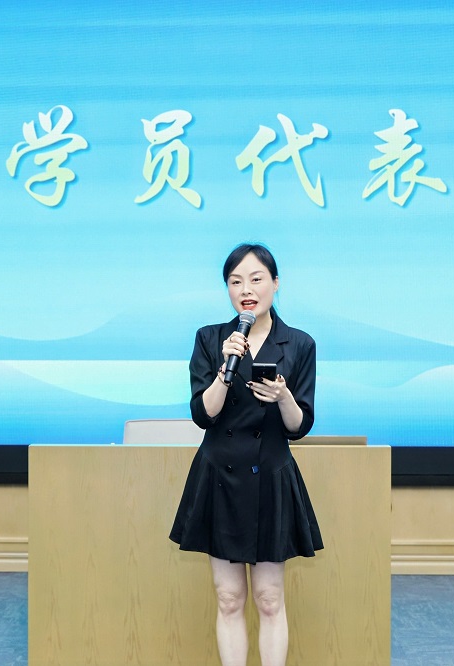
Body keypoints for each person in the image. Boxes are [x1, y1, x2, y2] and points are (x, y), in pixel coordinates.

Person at [169, 243, 323, 666]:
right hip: (220, 475)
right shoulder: (211, 339)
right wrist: (225, 369)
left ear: (276, 283)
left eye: (256, 279)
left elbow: (299, 426)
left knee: (269, 598)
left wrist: (284, 397)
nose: (246, 290)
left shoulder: (299, 343)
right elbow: (203, 414)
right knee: (229, 596)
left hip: (270, 475)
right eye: (235, 282)